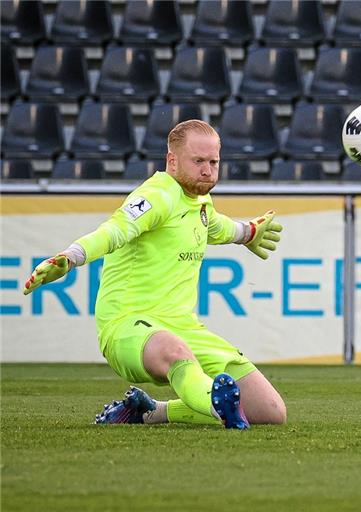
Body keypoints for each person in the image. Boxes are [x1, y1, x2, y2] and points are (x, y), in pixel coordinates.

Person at [22, 120, 286, 430]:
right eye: (198, 161)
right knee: (175, 352)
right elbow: (115, 231)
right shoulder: (157, 196)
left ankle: (151, 411)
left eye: (214, 162)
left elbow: (217, 226)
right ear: (172, 160)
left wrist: (248, 232)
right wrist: (73, 256)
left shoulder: (200, 201)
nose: (207, 170)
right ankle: (221, 411)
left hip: (183, 328)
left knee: (270, 411)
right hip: (128, 325)